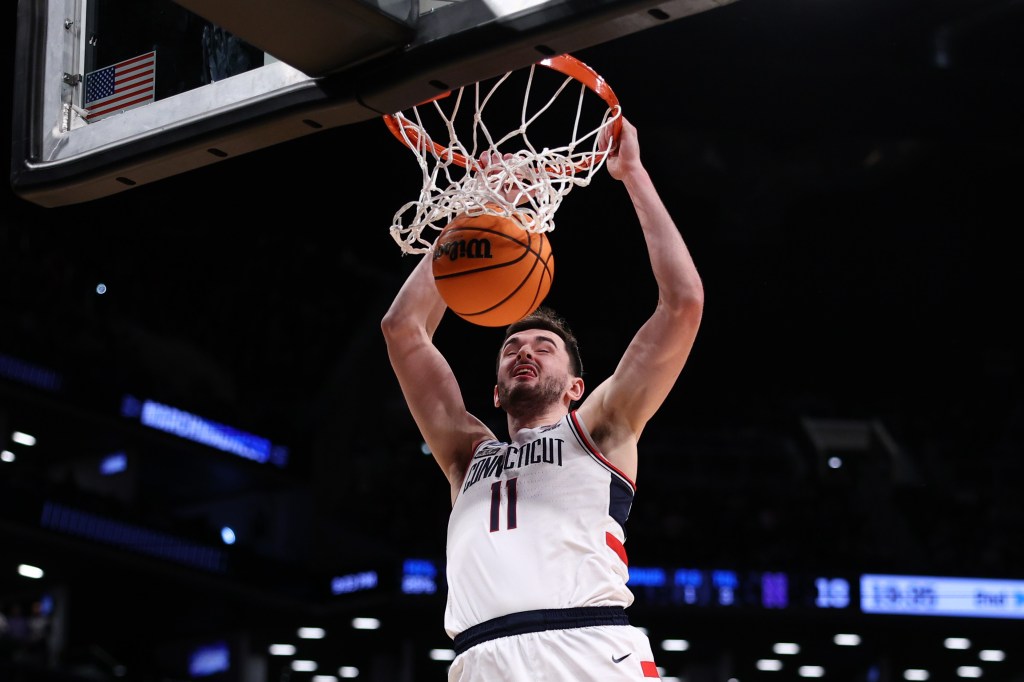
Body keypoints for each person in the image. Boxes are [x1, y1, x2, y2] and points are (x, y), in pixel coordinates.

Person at [381, 117, 704, 681]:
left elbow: (682, 303)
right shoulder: (467, 455)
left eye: (544, 346)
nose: (523, 351)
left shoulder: (600, 430)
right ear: (497, 392)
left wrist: (632, 174)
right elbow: (402, 329)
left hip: (585, 649)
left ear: (578, 387)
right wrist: (475, 218)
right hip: (479, 659)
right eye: (511, 346)